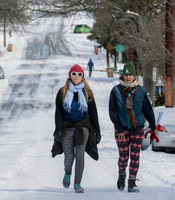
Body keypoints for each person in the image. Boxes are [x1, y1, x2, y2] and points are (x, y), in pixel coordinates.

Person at [108, 62, 158, 193]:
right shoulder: (116, 91)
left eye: (130, 74)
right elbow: (112, 112)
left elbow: (147, 110)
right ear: (123, 76)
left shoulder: (140, 91)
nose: (128, 77)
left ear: (134, 75)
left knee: (135, 156)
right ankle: (121, 175)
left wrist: (153, 126)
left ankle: (132, 183)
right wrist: (119, 128)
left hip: (137, 128)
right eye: (126, 74)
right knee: (123, 156)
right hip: (121, 129)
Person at [51, 64, 101, 193]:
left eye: (79, 74)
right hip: (67, 127)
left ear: (83, 76)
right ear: (70, 76)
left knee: (80, 155)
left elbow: (93, 112)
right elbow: (58, 112)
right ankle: (67, 173)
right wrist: (58, 129)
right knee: (69, 156)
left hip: (82, 126)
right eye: (74, 74)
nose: (77, 76)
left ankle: (77, 183)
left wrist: (97, 131)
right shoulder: (63, 92)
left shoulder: (87, 92)